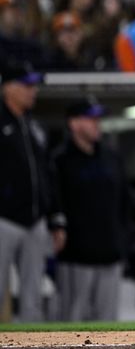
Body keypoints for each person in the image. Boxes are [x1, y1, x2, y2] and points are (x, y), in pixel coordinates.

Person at [51, 96, 128, 321]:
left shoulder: (112, 157)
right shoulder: (60, 159)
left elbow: (125, 203)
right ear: (73, 123)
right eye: (90, 118)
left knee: (109, 327)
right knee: (72, 324)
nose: (97, 123)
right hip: (76, 258)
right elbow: (54, 202)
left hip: (110, 256)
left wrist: (122, 243)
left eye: (98, 118)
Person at [0, 60, 65, 322]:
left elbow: (48, 175)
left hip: (35, 222)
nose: (33, 91)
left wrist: (55, 217)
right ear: (8, 88)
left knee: (33, 299)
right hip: (3, 220)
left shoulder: (35, 127)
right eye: (27, 85)